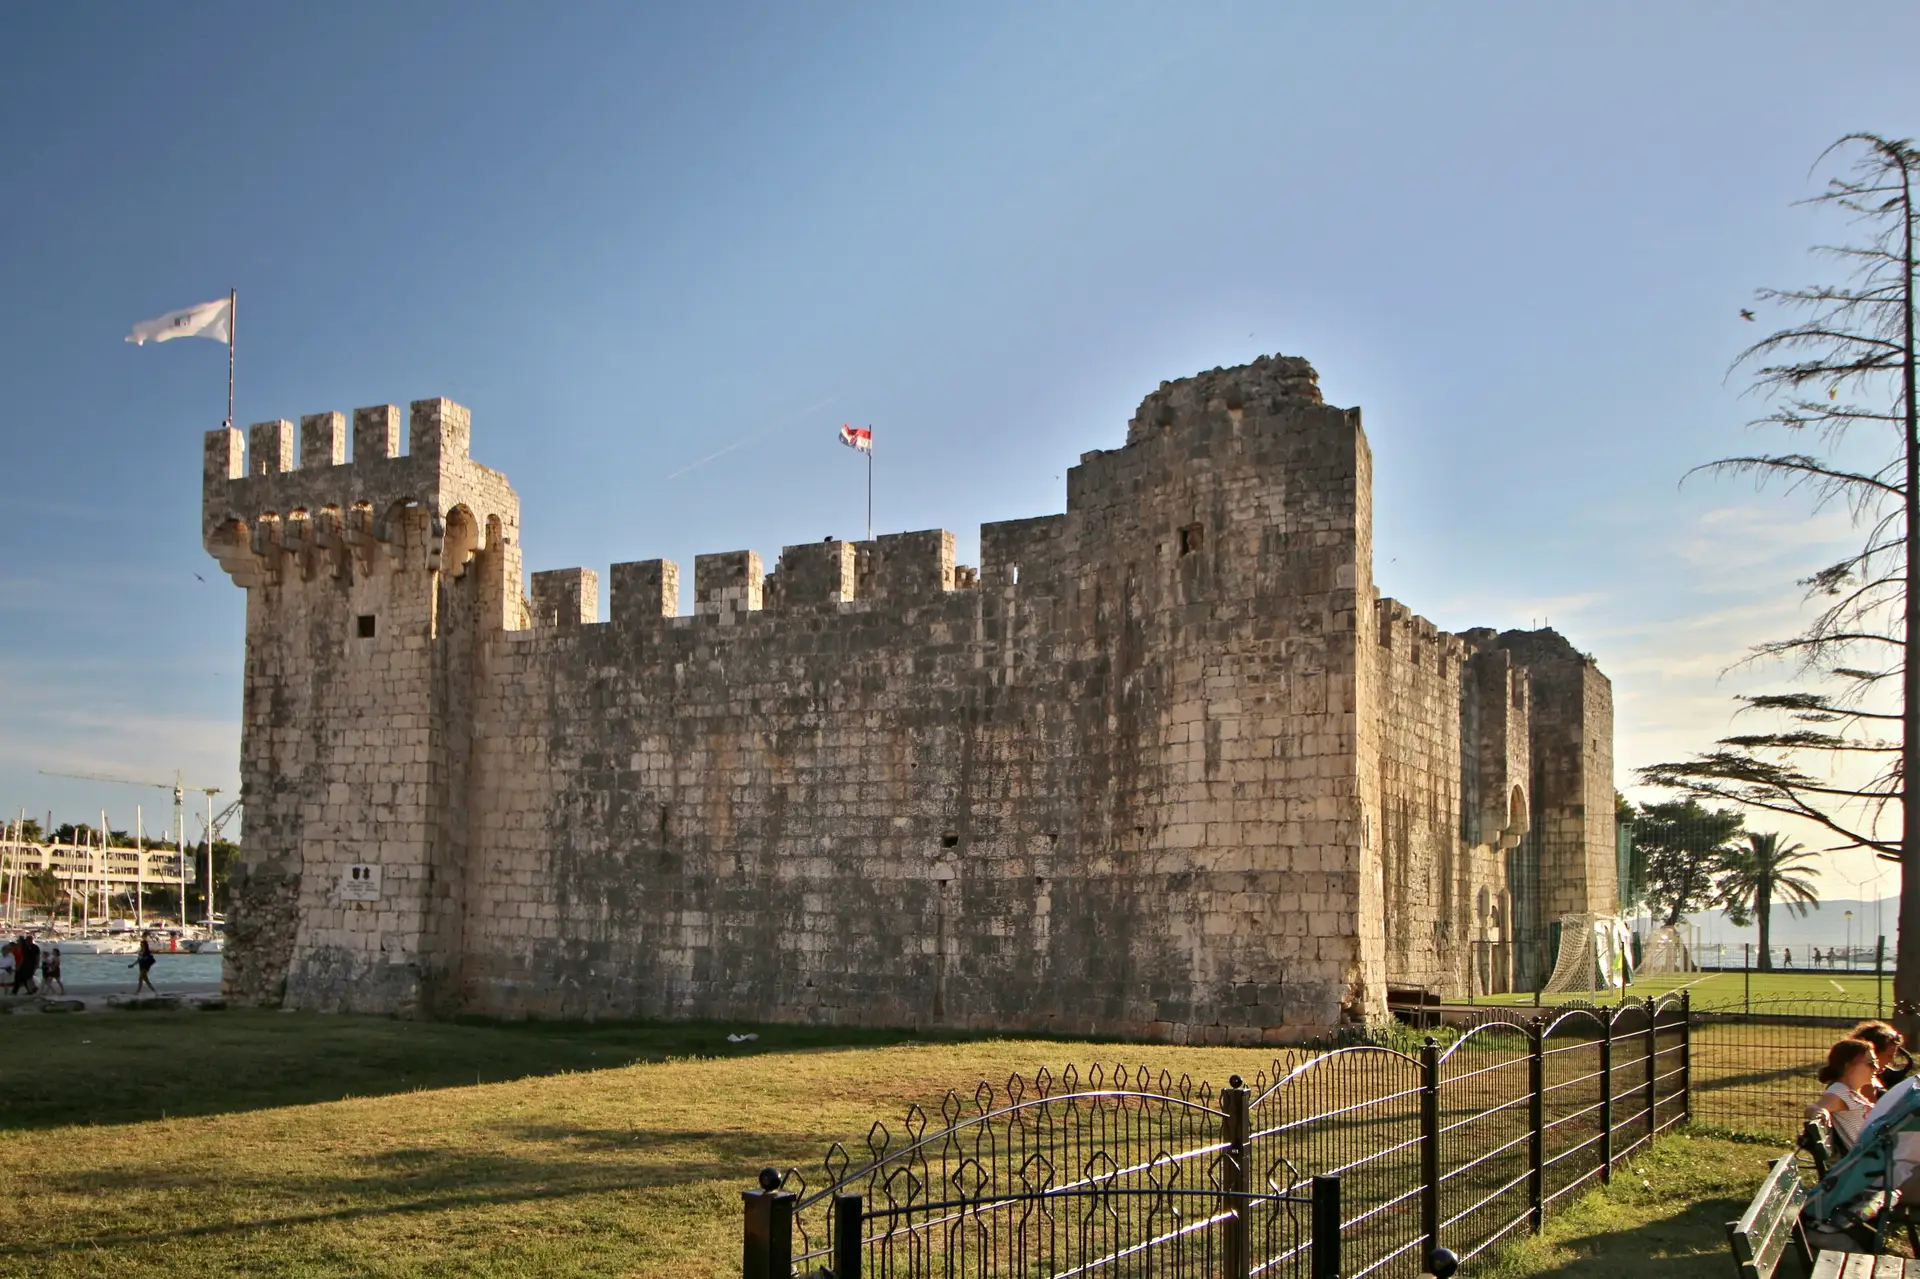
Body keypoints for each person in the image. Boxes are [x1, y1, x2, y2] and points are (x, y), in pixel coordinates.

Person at [1817, 1038, 1878, 1147]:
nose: (1876, 1068)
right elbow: (1817, 1108)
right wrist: (1820, 1112)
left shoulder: (1851, 1092)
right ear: (1848, 1066)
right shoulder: (1839, 1091)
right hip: (1870, 1160)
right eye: (1871, 1063)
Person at [1852, 1020, 1913, 1091]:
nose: (1890, 1061)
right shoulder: (1864, 1084)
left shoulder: (1871, 1079)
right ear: (1872, 1053)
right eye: (1889, 1056)